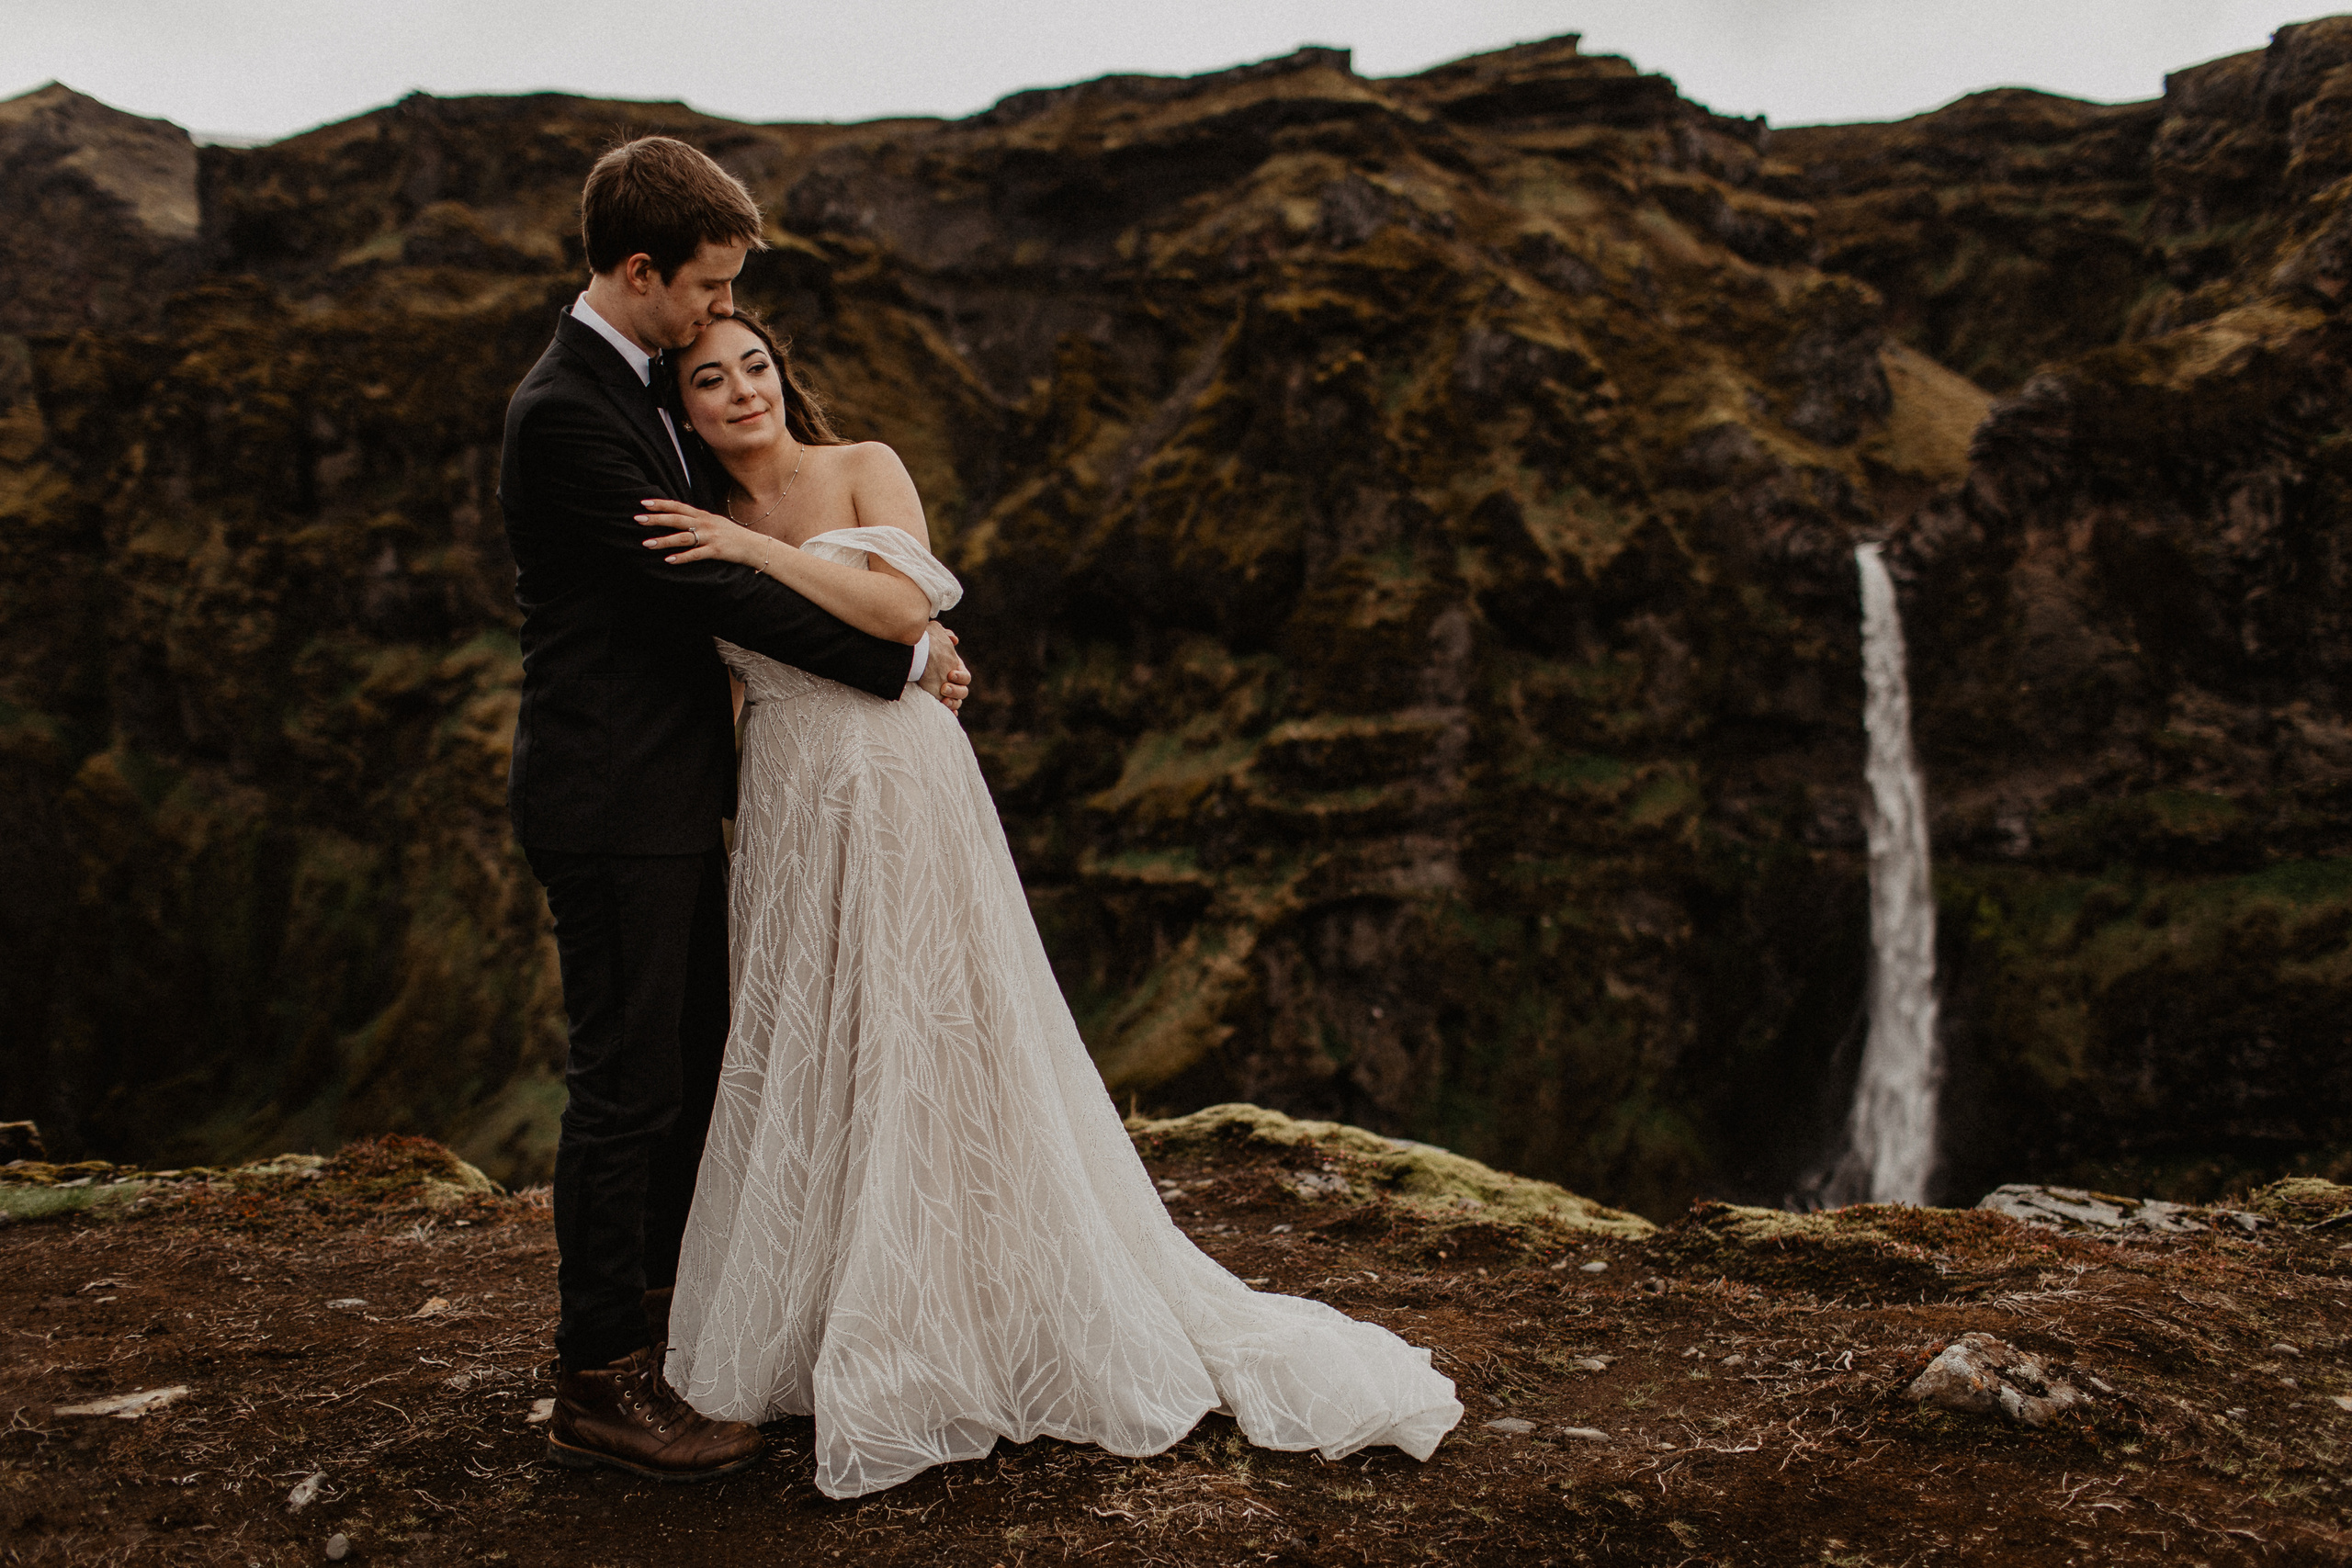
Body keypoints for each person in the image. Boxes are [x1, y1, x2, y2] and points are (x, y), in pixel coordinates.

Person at [629, 307, 1464, 1499]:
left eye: (754, 365)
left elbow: (899, 618)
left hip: (901, 774)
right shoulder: (685, 522)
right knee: (828, 1040)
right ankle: (837, 1311)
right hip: (790, 796)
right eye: (710, 380)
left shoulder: (861, 467)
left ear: (781, 374)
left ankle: (980, 1309)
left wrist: (751, 552)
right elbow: (717, 686)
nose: (741, 391)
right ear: (686, 407)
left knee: (937, 1023)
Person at [499, 136, 969, 1483]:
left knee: (698, 1069)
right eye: (706, 289)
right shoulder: (569, 412)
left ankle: (666, 1323)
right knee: (627, 1087)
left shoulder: (636, 383)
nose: (721, 316)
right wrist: (902, 657)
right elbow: (704, 590)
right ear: (640, 271)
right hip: (612, 797)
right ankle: (597, 1378)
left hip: (683, 790)